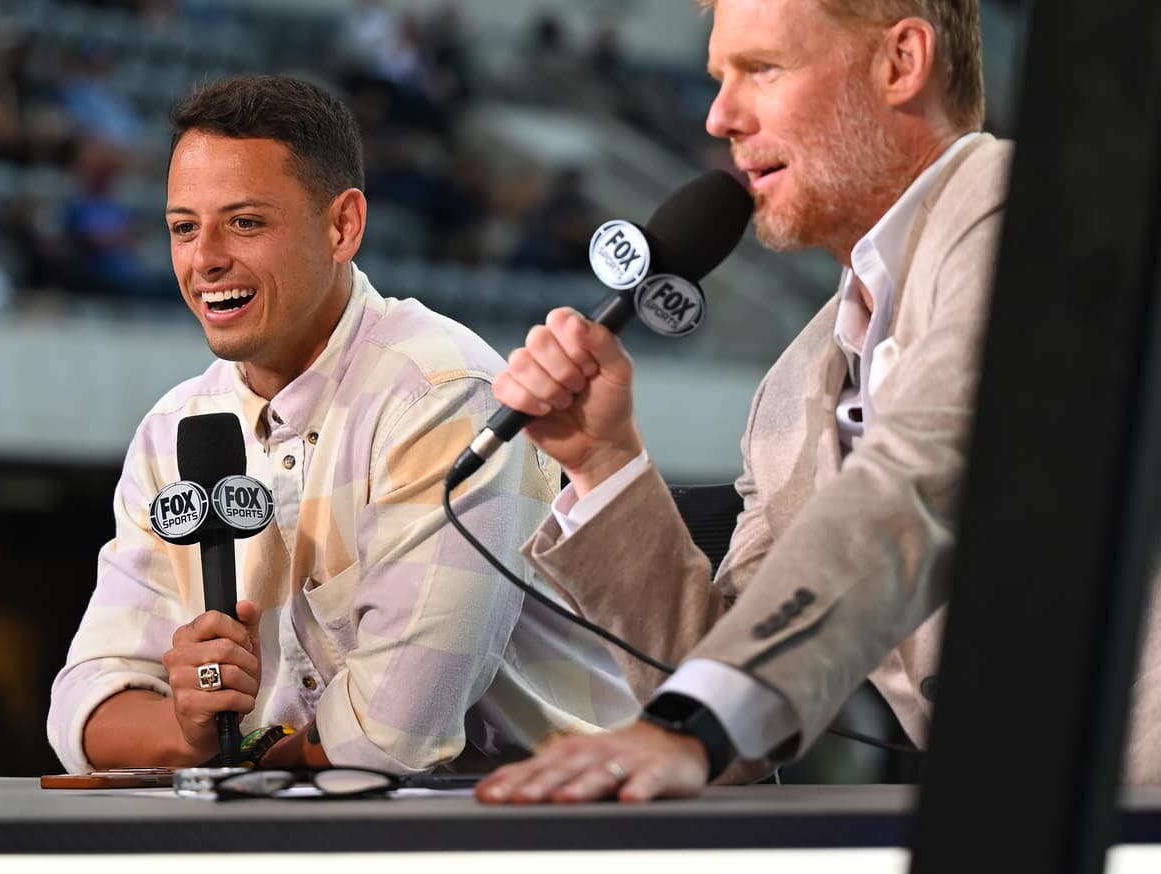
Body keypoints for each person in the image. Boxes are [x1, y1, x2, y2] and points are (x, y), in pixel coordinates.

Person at [474, 0, 1161, 803]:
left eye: (761, 69)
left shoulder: (1046, 214)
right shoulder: (794, 386)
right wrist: (604, 462)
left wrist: (694, 724)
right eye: (717, 78)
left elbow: (920, 480)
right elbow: (725, 691)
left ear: (901, 63)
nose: (719, 116)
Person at [47, 74, 638, 775]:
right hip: (335, 829)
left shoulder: (440, 391)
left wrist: (244, 760)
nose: (204, 259)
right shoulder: (174, 428)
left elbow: (390, 740)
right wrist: (191, 732)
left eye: (244, 222)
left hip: (559, 829)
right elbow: (83, 713)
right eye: (183, 227)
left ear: (342, 226)